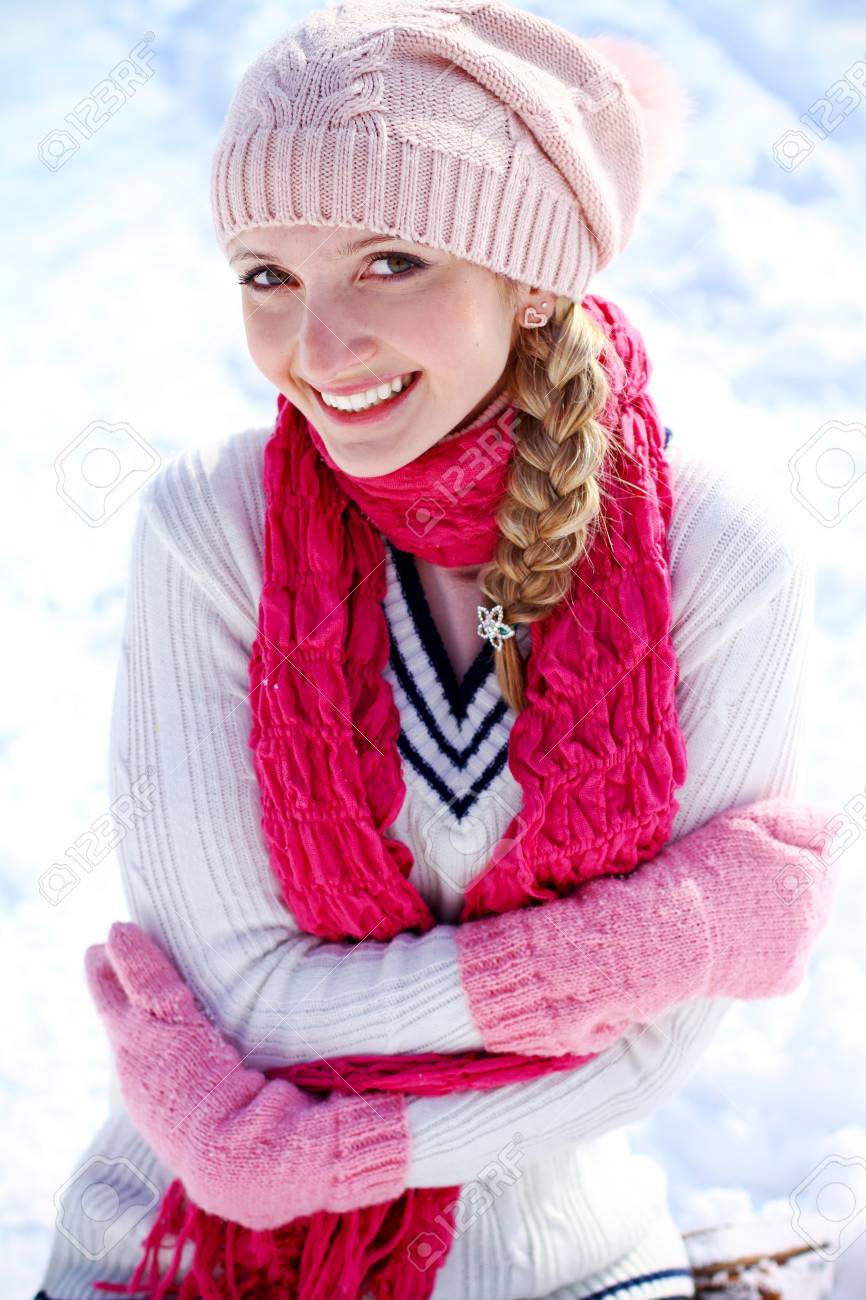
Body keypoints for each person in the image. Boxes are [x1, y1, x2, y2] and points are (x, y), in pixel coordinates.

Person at [36, 2, 836, 1297]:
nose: (318, 347)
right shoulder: (214, 529)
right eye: (266, 276)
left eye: (391, 262)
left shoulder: (718, 555)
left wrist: (306, 1154)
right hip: (176, 1252)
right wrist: (638, 945)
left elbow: (650, 1052)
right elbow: (244, 999)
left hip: (569, 1263)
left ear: (533, 278)